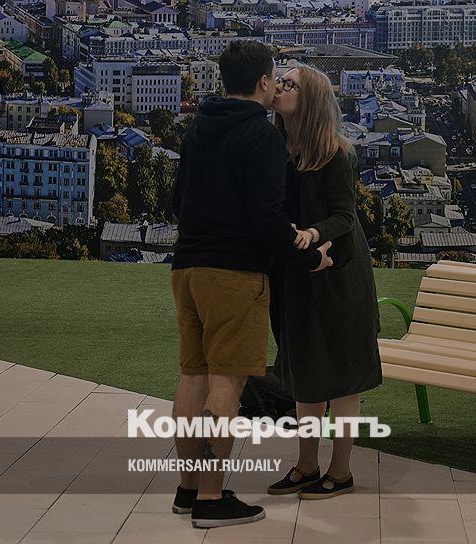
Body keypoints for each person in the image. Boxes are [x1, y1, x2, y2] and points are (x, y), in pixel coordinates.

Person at [169, 41, 333, 529]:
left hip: (186, 268)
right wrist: (309, 257)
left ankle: (188, 488)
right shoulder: (261, 136)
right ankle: (211, 496)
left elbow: (177, 200)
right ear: (263, 81)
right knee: (227, 382)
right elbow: (267, 216)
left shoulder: (199, 125)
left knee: (193, 377)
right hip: (234, 274)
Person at [265, 65, 383, 500]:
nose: (279, 87)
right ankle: (306, 465)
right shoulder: (277, 148)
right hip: (298, 273)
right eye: (279, 81)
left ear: (310, 100)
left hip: (338, 275)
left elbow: (344, 217)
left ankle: (341, 470)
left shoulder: (337, 153)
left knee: (343, 376)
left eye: (290, 84)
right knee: (306, 372)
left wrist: (311, 234)